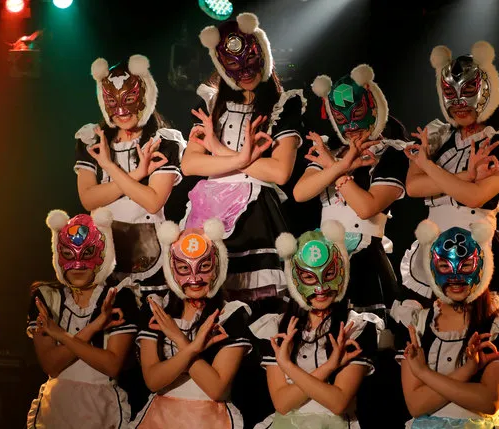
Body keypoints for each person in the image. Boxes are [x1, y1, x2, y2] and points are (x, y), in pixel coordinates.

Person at [401, 41, 499, 337]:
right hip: (433, 251)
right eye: (451, 96)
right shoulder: (437, 136)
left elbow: (475, 196)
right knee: (429, 338)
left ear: (486, 92)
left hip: (477, 248)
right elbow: (413, 187)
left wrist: (430, 166)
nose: (459, 104)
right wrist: (466, 175)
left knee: (485, 341)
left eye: (468, 93)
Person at [180, 12, 305, 311]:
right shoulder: (210, 103)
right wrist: (244, 157)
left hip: (257, 216)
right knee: (208, 303)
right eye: (233, 65)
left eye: (250, 63)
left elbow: (279, 171)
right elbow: (190, 165)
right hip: (206, 211)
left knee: (263, 307)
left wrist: (217, 150)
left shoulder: (283, 105)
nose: (244, 72)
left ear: (264, 56)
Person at [391, 219, 499, 428]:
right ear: (432, 268)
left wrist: (424, 374)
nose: (455, 277)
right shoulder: (416, 324)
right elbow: (416, 405)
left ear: (481, 267)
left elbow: (488, 401)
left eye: (466, 265)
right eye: (444, 266)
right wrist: (467, 371)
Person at [294, 64, 409, 323]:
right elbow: (301, 192)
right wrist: (341, 164)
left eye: (357, 112)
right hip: (322, 260)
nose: (352, 126)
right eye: (343, 118)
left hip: (366, 261)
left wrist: (338, 172)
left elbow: (366, 207)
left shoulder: (392, 153)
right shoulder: (332, 152)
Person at [249, 221, 383, 428]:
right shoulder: (276, 327)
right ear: (295, 278)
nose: (320, 288)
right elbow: (283, 403)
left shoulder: (355, 327)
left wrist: (287, 366)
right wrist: (330, 367)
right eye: (309, 277)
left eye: (328, 274)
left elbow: (338, 403)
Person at [74, 53, 186, 297]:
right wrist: (138, 174)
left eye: (129, 99)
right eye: (113, 103)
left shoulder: (164, 141)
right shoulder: (91, 140)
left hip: (149, 249)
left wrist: (109, 166)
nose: (122, 110)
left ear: (145, 96)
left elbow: (153, 201)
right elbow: (89, 200)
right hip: (103, 250)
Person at [131, 218, 252, 428]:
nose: (195, 279)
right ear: (172, 268)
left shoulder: (231, 314)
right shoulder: (157, 309)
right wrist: (195, 349)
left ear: (217, 266)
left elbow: (216, 389)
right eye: (184, 268)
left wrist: (178, 338)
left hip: (209, 419)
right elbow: (153, 380)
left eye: (204, 266)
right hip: (159, 418)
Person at [26, 208, 139, 428]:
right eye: (68, 254)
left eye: (87, 253)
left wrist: (60, 335)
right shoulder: (46, 297)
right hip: (55, 409)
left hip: (102, 410)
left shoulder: (118, 296)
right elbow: (51, 364)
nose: (78, 265)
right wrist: (94, 327)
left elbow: (111, 365)